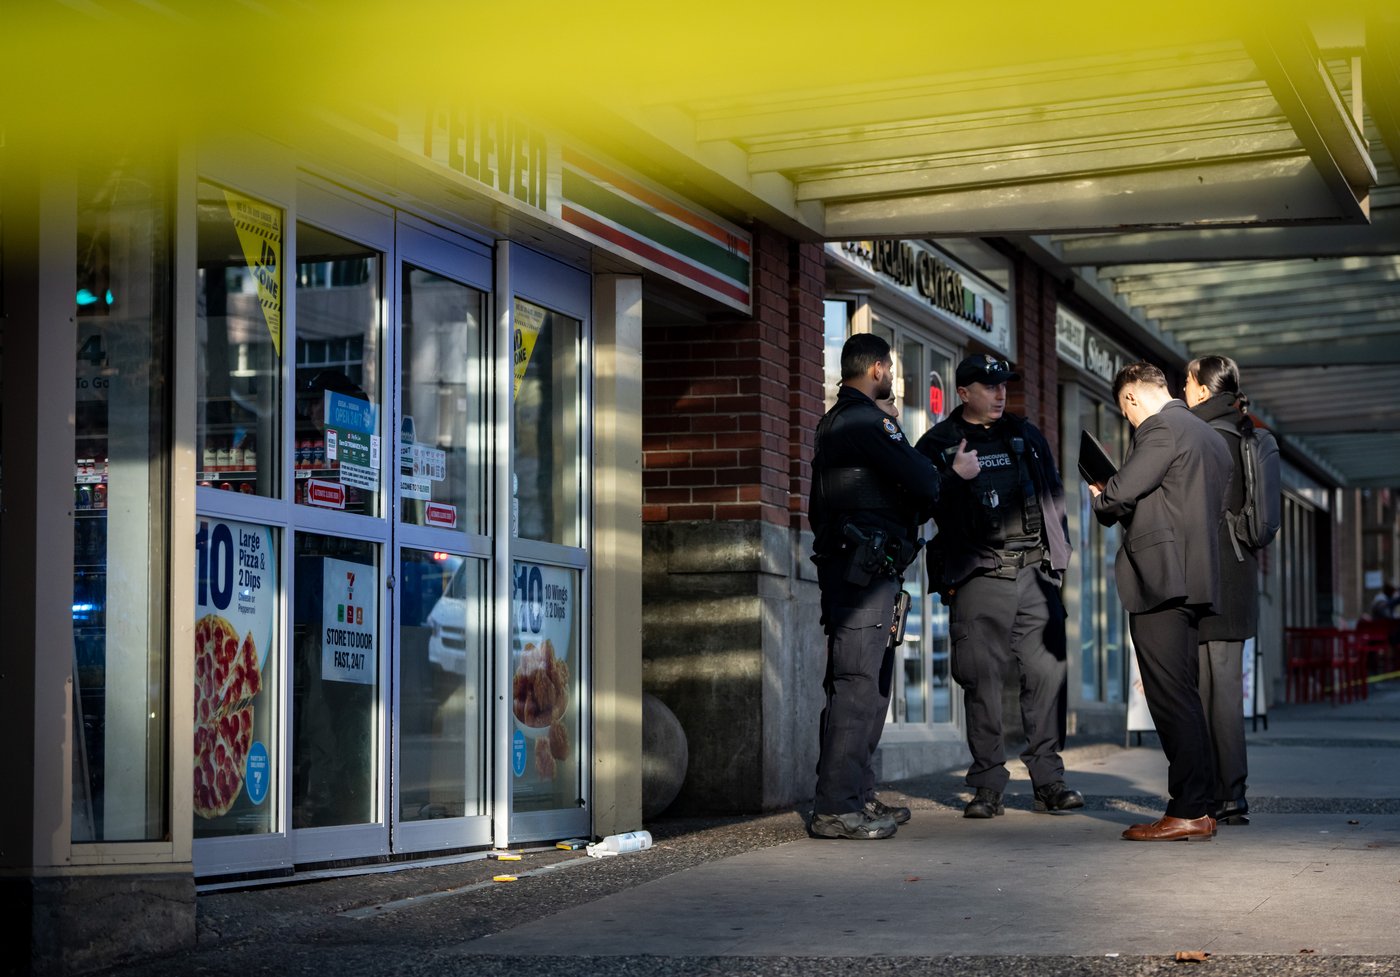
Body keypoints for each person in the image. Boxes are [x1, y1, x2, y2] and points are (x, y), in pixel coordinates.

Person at [808, 334, 976, 839]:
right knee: (857, 686)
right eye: (892, 369)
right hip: (861, 574)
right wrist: (949, 470)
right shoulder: (867, 421)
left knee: (869, 686)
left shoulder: (843, 422)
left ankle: (856, 795)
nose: (893, 378)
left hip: (864, 571)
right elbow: (923, 482)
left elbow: (905, 497)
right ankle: (837, 808)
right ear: (878, 369)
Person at [913, 353, 1082, 820]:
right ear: (963, 392)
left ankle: (1049, 782)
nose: (1000, 393)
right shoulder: (938, 443)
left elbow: (1053, 496)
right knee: (981, 681)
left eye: (1004, 385)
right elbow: (915, 506)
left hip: (1034, 573)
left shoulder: (1026, 435)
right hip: (979, 576)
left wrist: (1057, 562)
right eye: (989, 386)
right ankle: (987, 786)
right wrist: (952, 477)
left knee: (1046, 677)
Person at [1090, 361, 1232, 842]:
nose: (1129, 419)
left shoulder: (1159, 428)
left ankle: (1188, 809)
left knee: (1170, 699)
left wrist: (1101, 494)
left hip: (1161, 581)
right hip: (1195, 579)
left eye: (1124, 410)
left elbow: (1119, 494)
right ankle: (1202, 806)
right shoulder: (1209, 436)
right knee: (1185, 696)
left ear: (1131, 397)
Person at [1183, 355, 1258, 826]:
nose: (1182, 391)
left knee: (1217, 692)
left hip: (1215, 575)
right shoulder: (1240, 430)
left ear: (1204, 390)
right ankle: (1224, 792)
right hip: (1234, 573)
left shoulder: (1208, 436)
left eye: (1187, 383)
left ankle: (1227, 795)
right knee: (1217, 690)